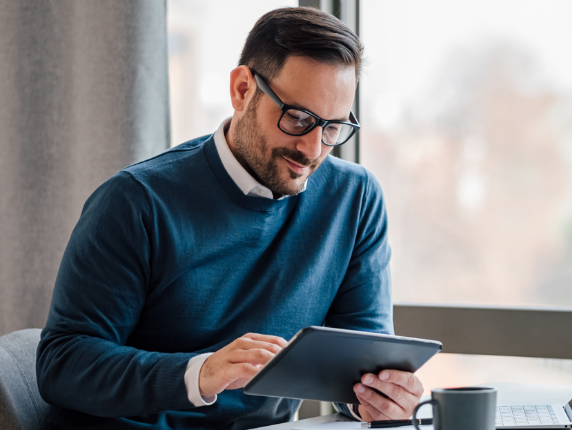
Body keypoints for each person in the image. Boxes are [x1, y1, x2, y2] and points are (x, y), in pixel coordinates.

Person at [36, 7, 423, 430]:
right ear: (242, 90)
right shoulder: (136, 201)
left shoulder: (355, 199)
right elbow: (62, 364)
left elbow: (361, 368)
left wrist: (377, 398)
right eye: (297, 118)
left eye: (332, 127)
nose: (312, 148)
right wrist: (200, 373)